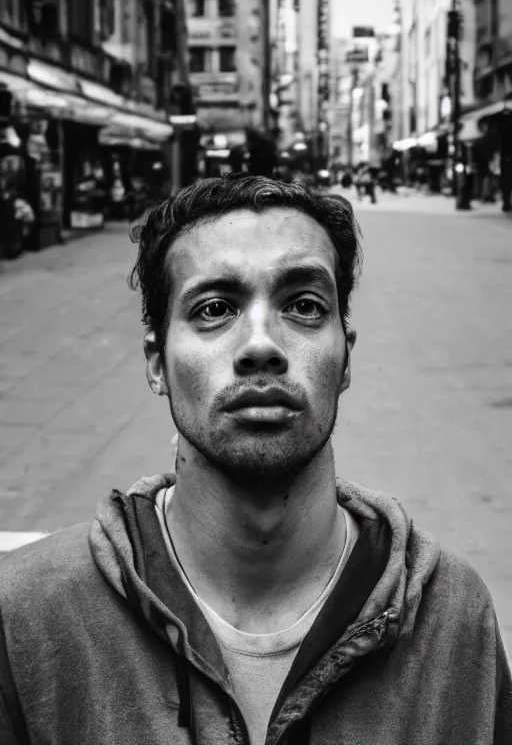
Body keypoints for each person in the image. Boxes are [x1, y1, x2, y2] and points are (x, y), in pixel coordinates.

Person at [0, 174, 510, 745]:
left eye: (304, 306)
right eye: (215, 308)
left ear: (345, 356)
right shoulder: (27, 615)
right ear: (155, 361)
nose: (261, 344)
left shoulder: (452, 618)